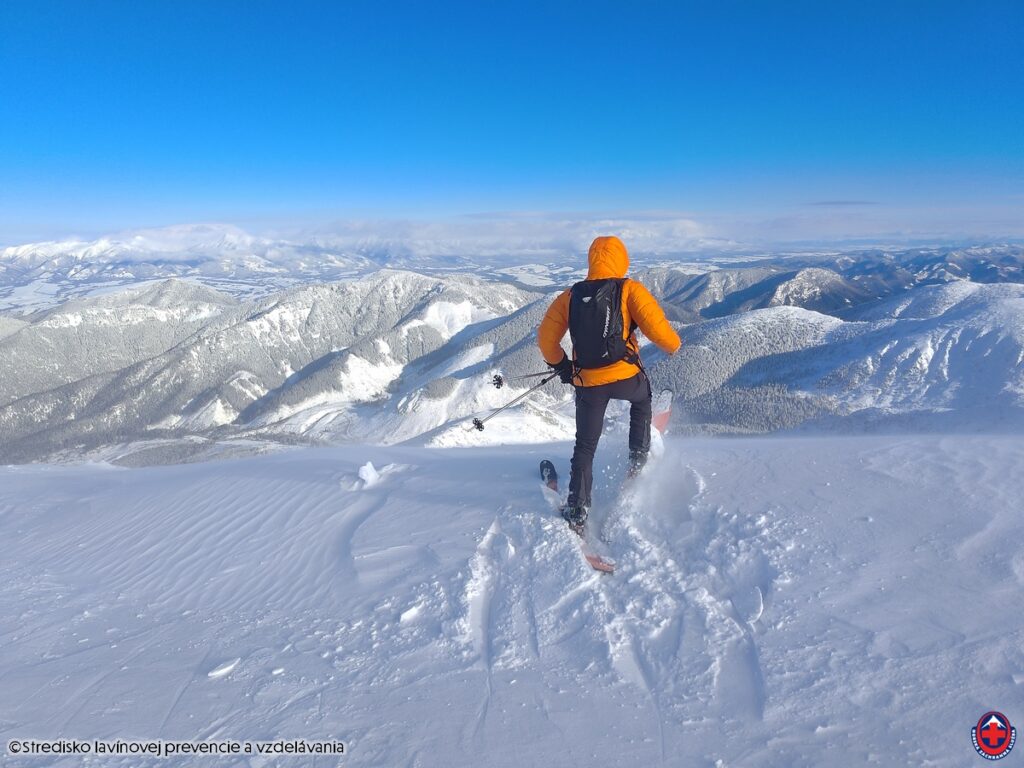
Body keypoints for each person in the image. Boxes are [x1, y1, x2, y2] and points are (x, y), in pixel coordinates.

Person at [537, 235, 681, 532]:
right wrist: (675, 345)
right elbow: (663, 336)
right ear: (621, 259)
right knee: (643, 401)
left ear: (591, 260)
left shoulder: (570, 296)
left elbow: (545, 340)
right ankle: (638, 456)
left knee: (585, 445)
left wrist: (564, 368)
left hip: (589, 384)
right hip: (626, 376)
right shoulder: (629, 289)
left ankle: (577, 508)